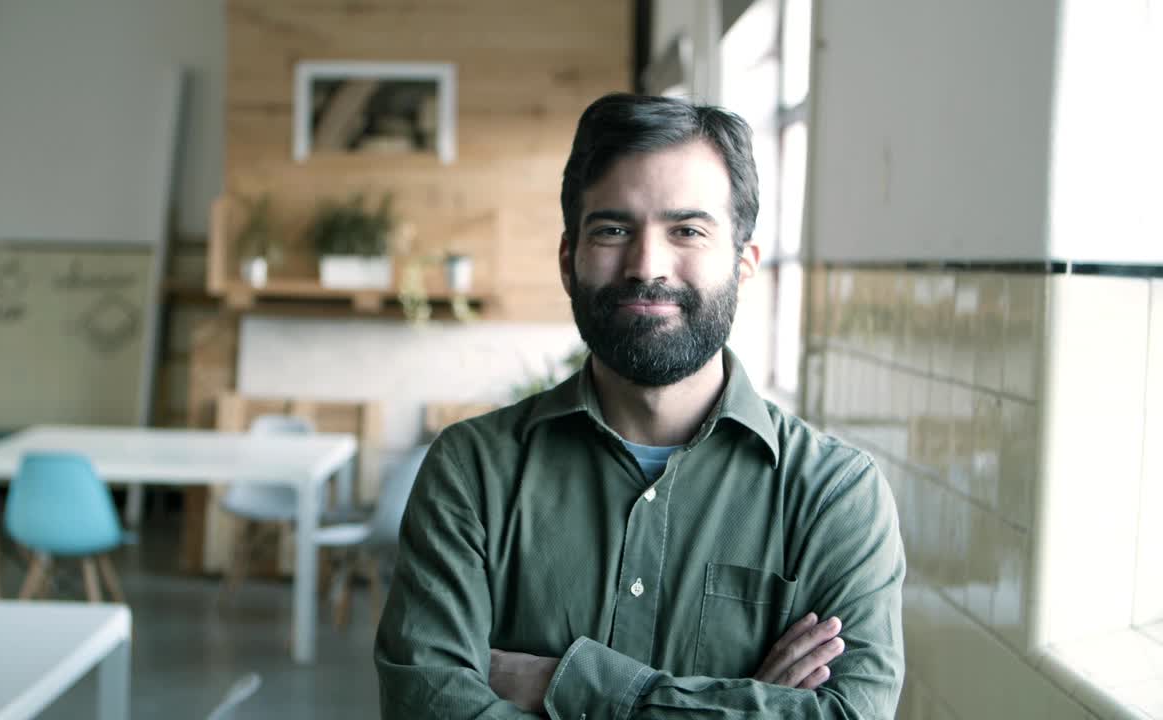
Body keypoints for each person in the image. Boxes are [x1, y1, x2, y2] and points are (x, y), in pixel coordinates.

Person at [375, 93, 905, 719]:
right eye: (614, 230)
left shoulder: (833, 496)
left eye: (687, 231)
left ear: (743, 265)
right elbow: (425, 707)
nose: (646, 265)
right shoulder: (473, 471)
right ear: (568, 260)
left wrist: (567, 685)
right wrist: (744, 706)